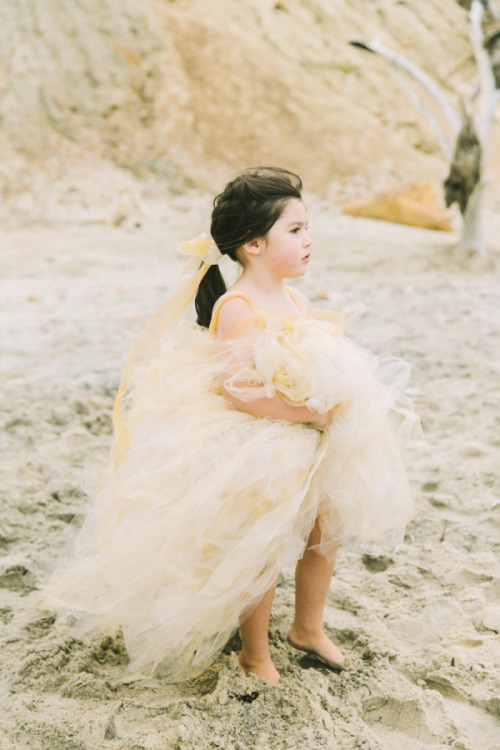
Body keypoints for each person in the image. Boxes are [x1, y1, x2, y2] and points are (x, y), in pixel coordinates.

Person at [44, 167, 418, 685]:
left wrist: (326, 402)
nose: (308, 240)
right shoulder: (238, 306)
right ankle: (254, 652)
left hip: (311, 430)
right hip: (259, 442)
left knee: (323, 531)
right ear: (253, 245)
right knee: (260, 543)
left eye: (308, 228)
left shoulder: (297, 300)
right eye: (295, 231)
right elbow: (240, 392)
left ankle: (308, 627)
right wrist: (309, 412)